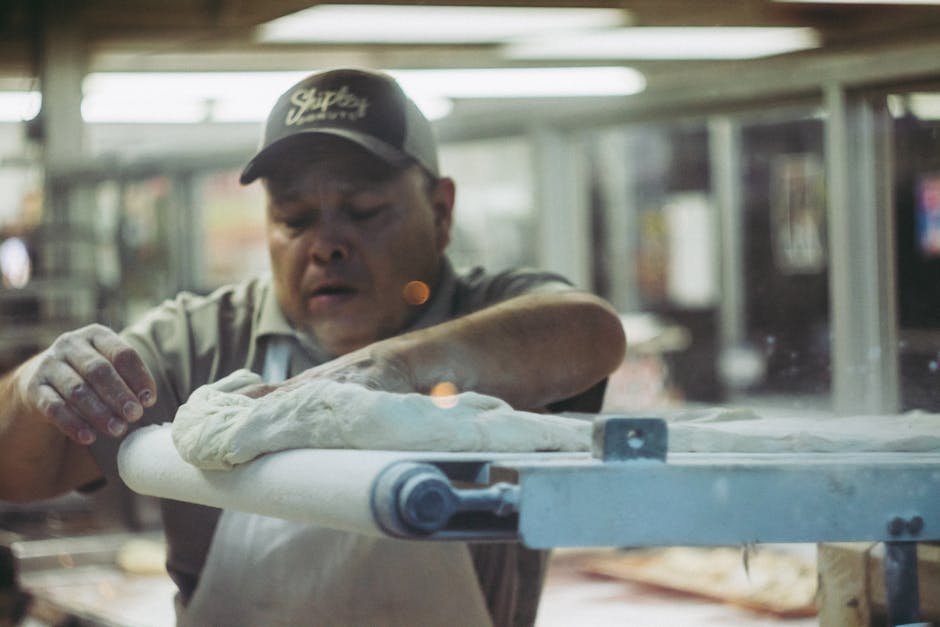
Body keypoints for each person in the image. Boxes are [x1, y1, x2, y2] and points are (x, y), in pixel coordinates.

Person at [0, 68, 626, 625]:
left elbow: (589, 330)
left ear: (440, 211)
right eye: (295, 219)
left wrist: (386, 370)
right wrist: (35, 386)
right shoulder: (199, 342)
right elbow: (21, 471)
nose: (326, 245)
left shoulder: (491, 311)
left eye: (363, 209)